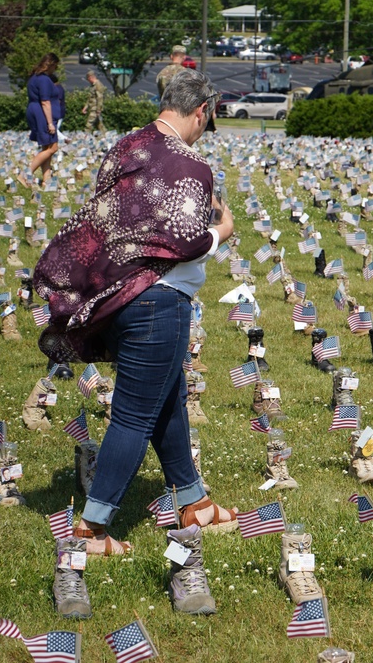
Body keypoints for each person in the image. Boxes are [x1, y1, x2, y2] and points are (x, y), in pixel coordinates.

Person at [33, 69, 233, 555]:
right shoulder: (192, 166)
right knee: (133, 416)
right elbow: (186, 243)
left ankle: (193, 502)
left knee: (168, 398)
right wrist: (221, 231)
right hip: (158, 301)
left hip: (116, 296)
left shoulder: (125, 147)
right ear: (201, 111)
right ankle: (93, 528)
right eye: (209, 120)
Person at [24, 53, 60, 187]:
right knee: (53, 147)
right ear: (51, 65)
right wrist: (50, 123)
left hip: (35, 110)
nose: (55, 69)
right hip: (42, 114)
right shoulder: (44, 80)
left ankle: (47, 180)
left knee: (47, 146)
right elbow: (45, 101)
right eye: (55, 66)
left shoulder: (34, 77)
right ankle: (26, 173)